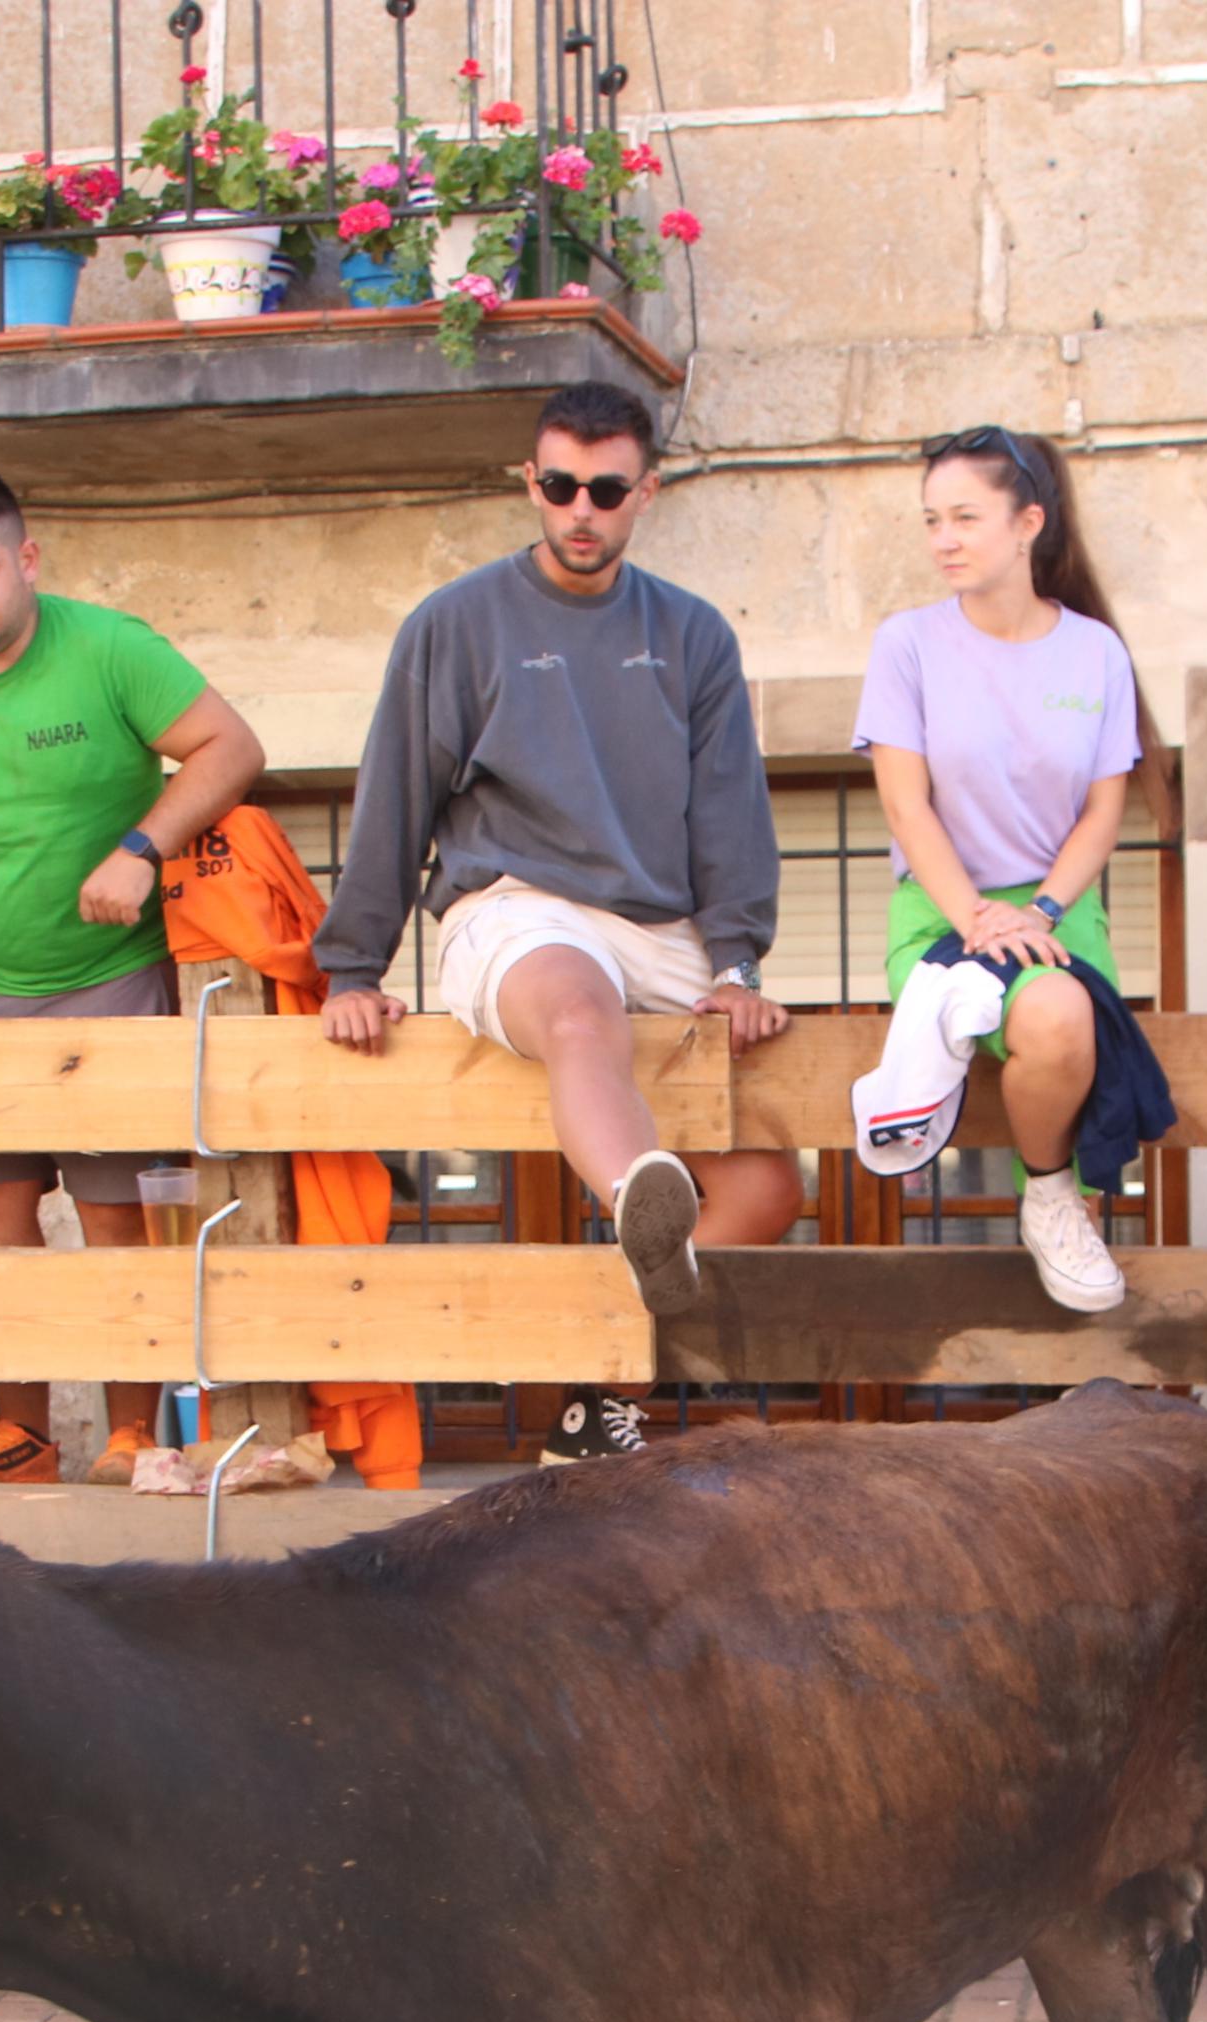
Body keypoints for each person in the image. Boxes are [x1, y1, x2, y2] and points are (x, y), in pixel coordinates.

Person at [315, 381, 801, 1466]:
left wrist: (735, 962)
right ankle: (640, 1198)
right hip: (515, 901)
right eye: (561, 486)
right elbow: (393, 793)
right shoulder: (457, 623)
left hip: (658, 922)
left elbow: (730, 806)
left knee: (768, 1186)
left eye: (607, 490)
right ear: (529, 483)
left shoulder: (691, 633)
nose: (582, 509)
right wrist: (352, 966)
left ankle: (599, 1394)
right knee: (580, 1017)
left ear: (646, 493)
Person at [0, 463, 265, 1487]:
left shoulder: (110, 647)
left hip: (116, 973)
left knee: (117, 1221)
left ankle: (130, 1436)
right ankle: (20, 1436)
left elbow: (230, 747)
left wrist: (143, 846)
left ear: (25, 558)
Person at [854, 424, 1154, 1313]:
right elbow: (906, 806)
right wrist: (981, 920)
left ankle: (1052, 1200)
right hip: (943, 907)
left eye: (964, 518)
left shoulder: (1096, 651)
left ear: (1028, 524)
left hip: (1060, 912)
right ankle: (1046, 1186)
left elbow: (1103, 811)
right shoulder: (906, 644)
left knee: (1060, 1015)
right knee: (1043, 1007)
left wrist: (1043, 912)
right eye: (931, 520)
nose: (942, 539)